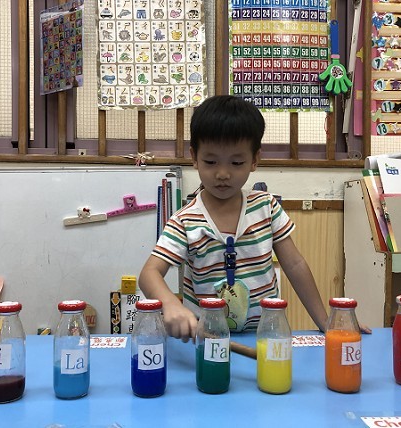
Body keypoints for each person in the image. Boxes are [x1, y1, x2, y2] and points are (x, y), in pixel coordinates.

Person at [139, 95, 371, 342]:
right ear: (194, 157)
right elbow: (149, 273)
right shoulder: (185, 220)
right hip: (207, 338)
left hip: (264, 335)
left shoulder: (266, 207)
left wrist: (325, 322)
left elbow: (295, 265)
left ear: (255, 160)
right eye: (211, 161)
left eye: (236, 162)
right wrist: (170, 304)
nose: (223, 173)